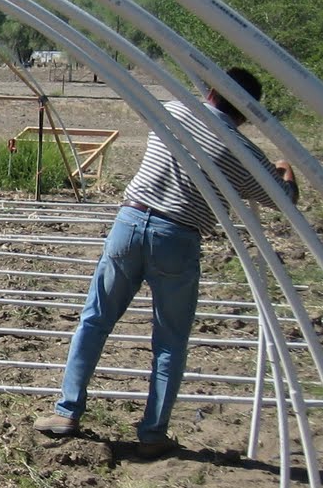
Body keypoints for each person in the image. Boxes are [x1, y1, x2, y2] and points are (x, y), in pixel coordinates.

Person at [35, 66, 299, 455]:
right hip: (178, 237)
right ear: (246, 112)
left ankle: (67, 411)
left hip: (129, 223)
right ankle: (152, 433)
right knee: (170, 341)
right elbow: (283, 200)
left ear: (210, 91)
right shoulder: (240, 150)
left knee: (95, 320)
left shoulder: (174, 111)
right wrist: (286, 171)